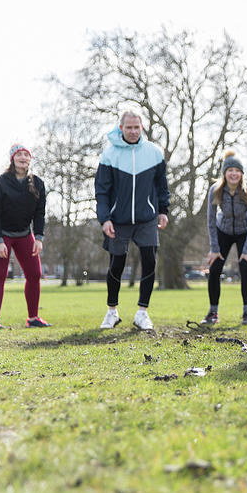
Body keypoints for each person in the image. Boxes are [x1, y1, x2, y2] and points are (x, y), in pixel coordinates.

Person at [95, 111, 170, 331]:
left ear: (142, 127)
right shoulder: (109, 155)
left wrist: (163, 210)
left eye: (137, 127)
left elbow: (162, 186)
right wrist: (104, 219)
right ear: (121, 128)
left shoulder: (154, 153)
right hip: (118, 220)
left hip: (147, 218)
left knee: (149, 263)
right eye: (129, 127)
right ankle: (112, 312)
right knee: (116, 265)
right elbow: (102, 191)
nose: (133, 131)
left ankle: (142, 313)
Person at [0, 144, 48, 329]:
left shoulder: (38, 183)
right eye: (19, 155)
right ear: (12, 159)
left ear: (30, 159)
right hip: (1, 234)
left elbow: (40, 214)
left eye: (26, 155)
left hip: (24, 234)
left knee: (35, 274)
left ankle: (33, 318)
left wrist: (38, 237)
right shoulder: (1, 182)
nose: (23, 157)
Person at [198, 150, 247, 326]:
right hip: (222, 230)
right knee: (215, 269)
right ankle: (213, 313)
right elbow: (210, 220)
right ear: (225, 173)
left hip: (245, 231)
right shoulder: (215, 190)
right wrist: (214, 248)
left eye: (237, 171)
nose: (234, 174)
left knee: (245, 268)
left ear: (241, 174)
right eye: (230, 170)